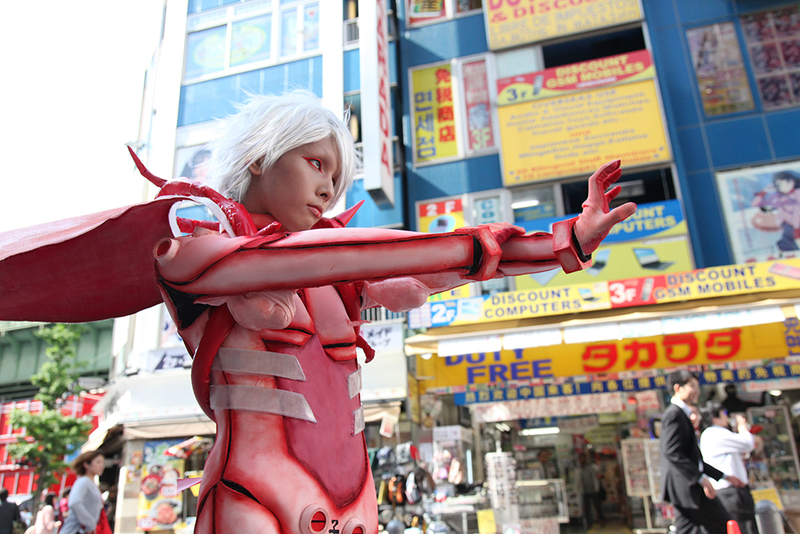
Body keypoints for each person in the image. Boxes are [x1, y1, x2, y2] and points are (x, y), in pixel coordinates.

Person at [0, 92, 636, 534]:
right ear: (259, 157)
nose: (330, 186)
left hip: (357, 504)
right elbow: (298, 262)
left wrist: (564, 244)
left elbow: (428, 269)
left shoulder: (336, 271)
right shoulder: (197, 245)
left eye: (338, 174)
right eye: (315, 163)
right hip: (254, 498)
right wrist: (537, 245)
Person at [659, 370, 743, 534]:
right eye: (692, 386)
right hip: (687, 486)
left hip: (685, 487)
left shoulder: (680, 413)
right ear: (678, 388)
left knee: (691, 529)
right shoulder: (674, 414)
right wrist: (700, 479)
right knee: (724, 525)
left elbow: (693, 459)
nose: (697, 390)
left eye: (697, 386)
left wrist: (722, 476)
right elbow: (672, 453)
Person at [700, 401, 756, 534]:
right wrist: (742, 427)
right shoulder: (715, 433)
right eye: (723, 413)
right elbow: (747, 443)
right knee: (743, 528)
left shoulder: (712, 434)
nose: (727, 416)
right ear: (714, 418)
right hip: (730, 492)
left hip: (730, 491)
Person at [59, 451, 106, 534]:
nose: (101, 466)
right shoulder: (84, 481)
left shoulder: (91, 483)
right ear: (86, 464)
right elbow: (74, 502)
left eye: (103, 463)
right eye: (98, 462)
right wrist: (90, 523)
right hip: (75, 531)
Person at [577, 452, 604, 527]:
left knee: (597, 506)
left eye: (583, 458)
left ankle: (601, 520)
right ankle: (589, 522)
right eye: (581, 458)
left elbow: (599, 472)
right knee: (587, 508)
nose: (582, 460)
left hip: (594, 489)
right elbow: (578, 481)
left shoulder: (591, 467)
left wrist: (599, 476)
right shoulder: (579, 469)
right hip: (585, 491)